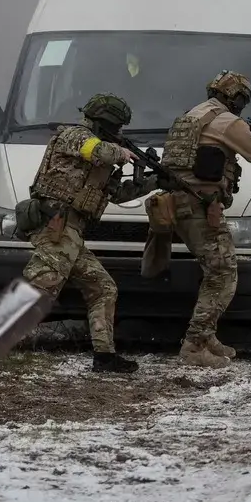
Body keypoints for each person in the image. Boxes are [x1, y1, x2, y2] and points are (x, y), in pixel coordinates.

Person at [17, 93, 161, 373]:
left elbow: (118, 194)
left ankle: (104, 356)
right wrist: (123, 153)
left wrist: (154, 182)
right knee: (41, 288)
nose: (120, 133)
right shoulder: (75, 136)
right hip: (56, 226)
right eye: (117, 127)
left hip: (71, 233)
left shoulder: (102, 155)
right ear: (104, 122)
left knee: (103, 288)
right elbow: (97, 150)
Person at [157, 70, 251, 368]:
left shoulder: (191, 117)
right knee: (222, 274)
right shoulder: (225, 121)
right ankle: (195, 344)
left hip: (181, 203)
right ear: (236, 98)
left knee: (215, 270)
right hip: (200, 206)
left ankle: (207, 337)